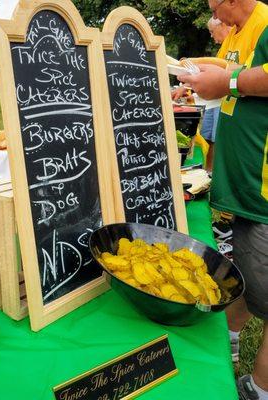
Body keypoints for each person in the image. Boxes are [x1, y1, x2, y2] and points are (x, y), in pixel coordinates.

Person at [179, 26, 268, 400]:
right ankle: (230, 340)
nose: (212, 15)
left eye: (215, 7)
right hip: (251, 192)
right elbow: (233, 66)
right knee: (249, 278)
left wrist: (228, 81)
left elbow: (240, 75)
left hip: (262, 192)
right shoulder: (246, 31)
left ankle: (260, 389)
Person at [200, 17, 231, 171]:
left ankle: (216, 173)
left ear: (223, 24)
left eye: (212, 31)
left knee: (219, 138)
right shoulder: (225, 46)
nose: (211, 36)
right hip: (214, 101)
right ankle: (207, 172)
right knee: (208, 136)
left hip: (226, 101)